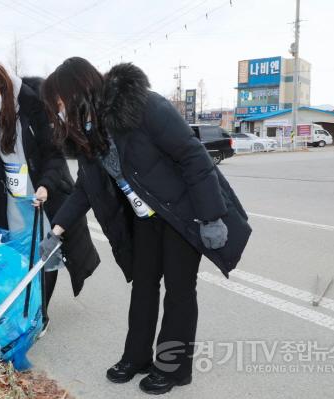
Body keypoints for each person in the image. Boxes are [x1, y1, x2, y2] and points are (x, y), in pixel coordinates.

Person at [40, 57, 251, 395]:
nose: (60, 113)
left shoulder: (144, 107)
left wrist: (212, 217)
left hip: (183, 214)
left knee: (180, 291)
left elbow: (194, 157)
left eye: (60, 104)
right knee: (143, 288)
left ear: (78, 93)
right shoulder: (89, 134)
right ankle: (136, 357)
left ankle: (172, 368)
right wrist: (56, 230)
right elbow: (85, 189)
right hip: (146, 220)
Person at [0, 60, 100, 333]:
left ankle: (40, 313)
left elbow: (54, 152)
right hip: (12, 200)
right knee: (17, 256)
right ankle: (23, 307)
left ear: (5, 86)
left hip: (42, 197)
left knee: (45, 257)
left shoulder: (34, 104)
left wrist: (47, 185)